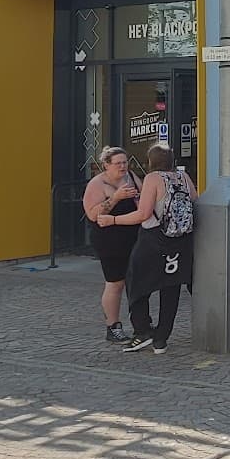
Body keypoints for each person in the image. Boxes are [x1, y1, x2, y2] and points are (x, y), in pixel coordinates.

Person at [98, 143, 197, 354]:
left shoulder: (153, 178)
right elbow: (195, 204)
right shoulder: (184, 178)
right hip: (180, 242)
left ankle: (142, 330)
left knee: (136, 282)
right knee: (171, 288)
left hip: (153, 240)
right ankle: (161, 339)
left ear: (151, 161)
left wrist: (112, 220)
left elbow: (143, 214)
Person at [82, 146, 139, 344]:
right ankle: (113, 326)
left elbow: (143, 199)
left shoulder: (130, 176)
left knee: (136, 280)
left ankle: (141, 324)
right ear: (106, 165)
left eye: (125, 162)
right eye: (118, 163)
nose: (123, 166)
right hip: (109, 238)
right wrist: (115, 198)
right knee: (116, 282)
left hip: (133, 234)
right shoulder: (97, 184)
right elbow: (92, 213)